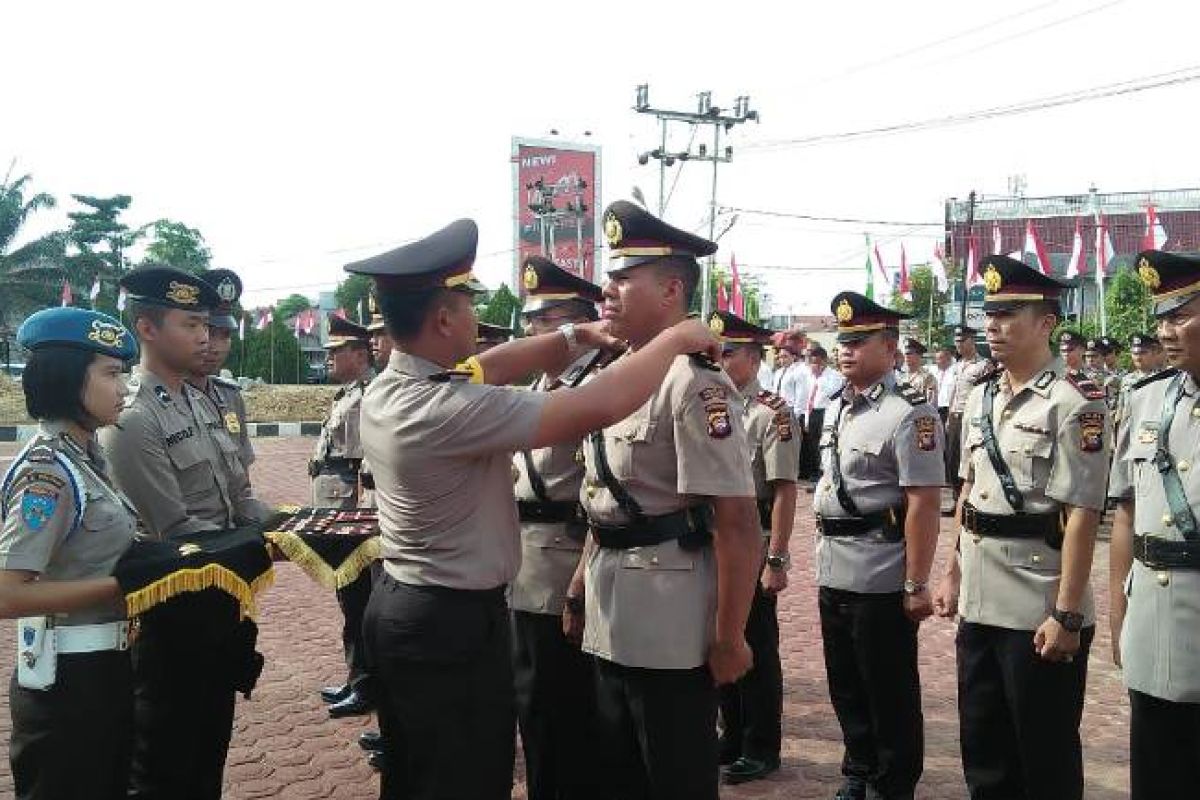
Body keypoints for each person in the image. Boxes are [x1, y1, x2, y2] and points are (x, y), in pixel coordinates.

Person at [347, 216, 731, 800]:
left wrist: (575, 337)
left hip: (413, 607)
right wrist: (675, 339)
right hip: (448, 624)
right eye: (470, 306)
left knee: (420, 768)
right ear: (446, 319)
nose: (483, 323)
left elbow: (493, 365)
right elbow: (595, 404)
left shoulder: (391, 388)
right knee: (461, 777)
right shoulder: (445, 407)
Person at [562, 201, 759, 800]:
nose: (608, 289)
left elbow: (737, 521)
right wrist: (576, 588)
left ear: (673, 288)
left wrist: (730, 636)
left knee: (673, 777)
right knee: (616, 776)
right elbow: (604, 499)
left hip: (670, 621)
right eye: (611, 276)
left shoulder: (695, 381)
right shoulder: (619, 372)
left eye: (625, 278)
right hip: (609, 605)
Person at [933, 255, 1110, 800]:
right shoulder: (984, 395)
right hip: (981, 598)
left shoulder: (1074, 405)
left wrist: (1067, 612)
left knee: (1045, 751)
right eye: (989, 314)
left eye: (1009, 314)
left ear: (1046, 323)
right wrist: (951, 572)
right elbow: (968, 492)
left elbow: (1082, 514)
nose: (993, 326)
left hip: (1039, 600)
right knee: (983, 748)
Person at [97, 265, 257, 800]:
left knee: (207, 753)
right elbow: (177, 533)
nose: (205, 336)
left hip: (218, 602)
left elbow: (238, 501)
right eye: (191, 324)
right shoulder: (134, 418)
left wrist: (303, 524)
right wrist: (271, 545)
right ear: (147, 328)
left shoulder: (203, 401)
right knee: (165, 764)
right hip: (172, 617)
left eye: (206, 326)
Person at [1, 307, 139, 800]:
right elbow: (8, 595)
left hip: (106, 671)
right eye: (111, 374)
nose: (124, 388)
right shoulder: (49, 472)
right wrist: (127, 584)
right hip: (69, 684)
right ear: (66, 377)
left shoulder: (87, 458)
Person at [815, 292, 944, 800]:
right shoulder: (836, 408)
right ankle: (859, 767)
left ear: (890, 347)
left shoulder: (909, 413)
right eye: (843, 341)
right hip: (833, 565)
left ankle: (893, 783)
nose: (846, 350)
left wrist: (916, 582)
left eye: (859, 341)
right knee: (844, 680)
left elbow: (923, 503)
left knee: (887, 685)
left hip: (880, 567)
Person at [509, 255, 607, 800]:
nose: (532, 330)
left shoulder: (598, 386)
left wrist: (579, 584)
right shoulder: (543, 384)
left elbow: (601, 492)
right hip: (524, 564)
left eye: (544, 319)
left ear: (579, 322)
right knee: (536, 704)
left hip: (565, 563)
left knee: (562, 707)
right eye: (531, 319)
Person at [1108, 250, 1200, 798]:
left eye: (1181, 314)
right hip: (1154, 618)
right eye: (1161, 317)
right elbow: (1125, 511)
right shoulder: (1146, 400)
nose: (1166, 330)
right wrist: (1122, 609)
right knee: (1158, 771)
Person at [711, 310, 800, 786]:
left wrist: (778, 557)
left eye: (728, 353)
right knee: (721, 634)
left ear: (752, 357)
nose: (720, 360)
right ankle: (733, 732)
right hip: (716, 540)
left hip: (756, 538)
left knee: (758, 646)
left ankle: (762, 745)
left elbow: (785, 489)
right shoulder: (713, 403)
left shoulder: (772, 412)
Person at [310, 314, 379, 718]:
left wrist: (353, 522)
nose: (329, 358)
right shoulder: (348, 393)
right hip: (337, 511)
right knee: (349, 600)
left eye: (337, 351)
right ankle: (358, 677)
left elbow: (360, 469)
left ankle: (366, 685)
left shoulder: (367, 395)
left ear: (359, 353)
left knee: (358, 602)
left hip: (352, 515)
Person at [188, 269, 256, 473]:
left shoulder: (230, 396)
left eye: (225, 335)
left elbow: (242, 473)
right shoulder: (165, 399)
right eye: (208, 331)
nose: (215, 346)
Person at [945, 326, 989, 497]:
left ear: (972, 341)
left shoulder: (983, 365)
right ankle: (956, 495)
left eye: (962, 341)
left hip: (971, 417)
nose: (958, 345)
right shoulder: (957, 366)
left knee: (969, 457)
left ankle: (968, 495)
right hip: (955, 416)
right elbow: (953, 393)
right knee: (952, 458)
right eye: (956, 341)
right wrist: (949, 416)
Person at [800, 345, 842, 483]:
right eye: (811, 362)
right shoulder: (810, 377)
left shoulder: (834, 376)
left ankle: (824, 472)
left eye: (817, 362)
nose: (813, 366)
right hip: (812, 411)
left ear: (824, 362)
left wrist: (820, 377)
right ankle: (814, 472)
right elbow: (808, 399)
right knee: (812, 444)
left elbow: (830, 393)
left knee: (824, 443)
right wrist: (806, 417)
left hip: (825, 412)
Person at [900, 339, 937, 405]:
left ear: (919, 355)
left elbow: (930, 403)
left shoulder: (927, 377)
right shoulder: (900, 376)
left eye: (910, 353)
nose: (906, 356)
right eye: (905, 353)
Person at [933, 347, 959, 423]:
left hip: (948, 409)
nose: (937, 361)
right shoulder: (935, 373)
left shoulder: (955, 372)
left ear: (948, 358)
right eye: (936, 359)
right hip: (936, 408)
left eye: (940, 358)